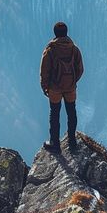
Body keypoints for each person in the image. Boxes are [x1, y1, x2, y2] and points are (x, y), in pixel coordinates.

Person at [40, 21, 84, 153]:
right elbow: (80, 69)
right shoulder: (74, 49)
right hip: (70, 87)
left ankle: (55, 144)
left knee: (55, 114)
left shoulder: (50, 50)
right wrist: (73, 81)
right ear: (66, 32)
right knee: (71, 112)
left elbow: (44, 71)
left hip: (55, 88)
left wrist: (45, 87)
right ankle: (72, 142)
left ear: (55, 33)